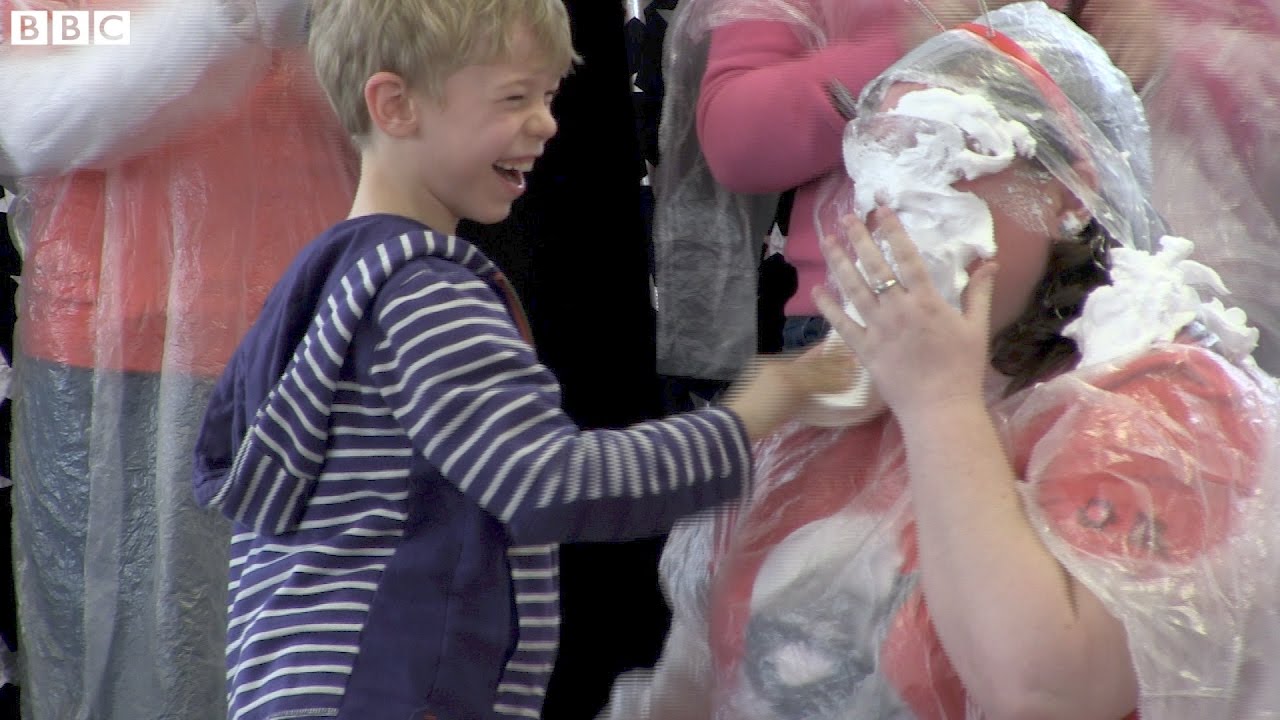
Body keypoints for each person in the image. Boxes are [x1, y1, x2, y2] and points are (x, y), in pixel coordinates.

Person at [602, 3, 1280, 718]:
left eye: (947, 156)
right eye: (880, 166)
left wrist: (940, 407)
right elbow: (698, 680)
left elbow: (1049, 694)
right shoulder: (823, 418)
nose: (901, 206)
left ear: (1070, 191)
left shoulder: (1168, 405)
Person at [190, 1, 855, 718]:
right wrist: (751, 415)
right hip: (393, 687)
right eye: (515, 99)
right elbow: (552, 485)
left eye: (547, 97)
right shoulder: (429, 298)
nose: (547, 124)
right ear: (395, 104)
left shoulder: (327, 280)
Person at [0, 1, 357, 718]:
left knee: (313, 663)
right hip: (108, 357)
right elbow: (31, 119)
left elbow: (416, 85)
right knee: (126, 684)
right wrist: (226, 20)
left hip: (318, 333)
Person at [651, 0, 1164, 382]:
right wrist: (909, 51)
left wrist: (1140, 25)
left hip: (1071, 310)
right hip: (863, 319)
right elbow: (737, 144)